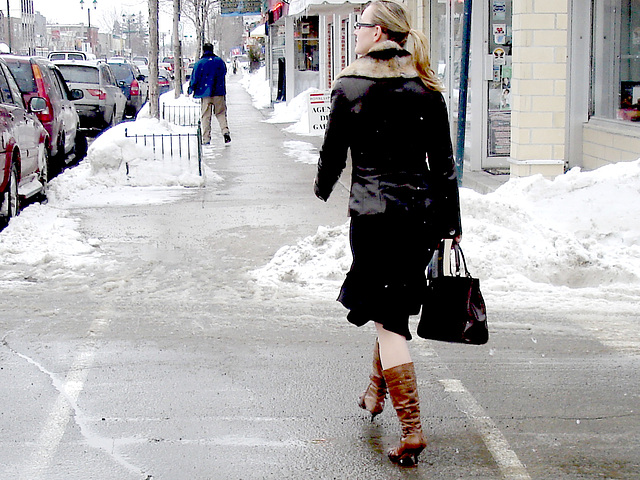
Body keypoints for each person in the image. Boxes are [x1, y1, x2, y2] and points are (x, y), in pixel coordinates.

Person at [313, 0, 461, 467]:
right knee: (390, 308)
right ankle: (376, 390)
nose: (355, 33)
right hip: (417, 218)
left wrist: (321, 187)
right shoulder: (426, 89)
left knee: (389, 322)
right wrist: (450, 224)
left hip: (374, 220)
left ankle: (413, 430)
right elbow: (444, 166)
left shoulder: (351, 87)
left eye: (359, 26)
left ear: (377, 33)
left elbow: (333, 154)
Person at [188, 43, 231, 144]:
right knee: (220, 113)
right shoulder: (219, 61)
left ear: (203, 50)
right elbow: (224, 72)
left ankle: (206, 138)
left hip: (205, 93)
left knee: (206, 116)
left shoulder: (200, 63)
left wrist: (191, 89)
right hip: (219, 92)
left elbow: (194, 77)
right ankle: (225, 131)